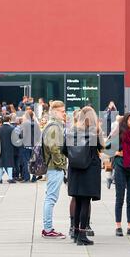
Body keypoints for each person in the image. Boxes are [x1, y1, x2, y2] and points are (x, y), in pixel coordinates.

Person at [65, 106, 104, 245]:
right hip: (89, 170)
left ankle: (75, 232)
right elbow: (101, 147)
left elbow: (64, 150)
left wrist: (75, 158)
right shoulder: (95, 132)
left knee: (77, 200)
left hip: (75, 169)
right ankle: (82, 235)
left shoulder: (71, 131)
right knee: (85, 202)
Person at [41, 101, 67, 239]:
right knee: (51, 198)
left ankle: (47, 228)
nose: (64, 113)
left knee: (49, 197)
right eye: (62, 111)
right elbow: (54, 148)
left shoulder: (52, 125)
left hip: (53, 166)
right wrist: (61, 163)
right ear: (55, 112)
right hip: (54, 167)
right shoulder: (54, 127)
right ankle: (48, 229)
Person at [113, 112, 130, 237]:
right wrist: (116, 153)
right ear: (126, 122)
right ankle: (118, 226)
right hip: (120, 166)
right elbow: (107, 147)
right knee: (120, 198)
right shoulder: (119, 132)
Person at [0, 115, 16, 183]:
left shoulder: (0, 128)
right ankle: (10, 178)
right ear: (9, 120)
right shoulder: (12, 128)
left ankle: (0, 178)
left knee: (1, 163)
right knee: (9, 163)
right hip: (10, 148)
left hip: (1, 148)